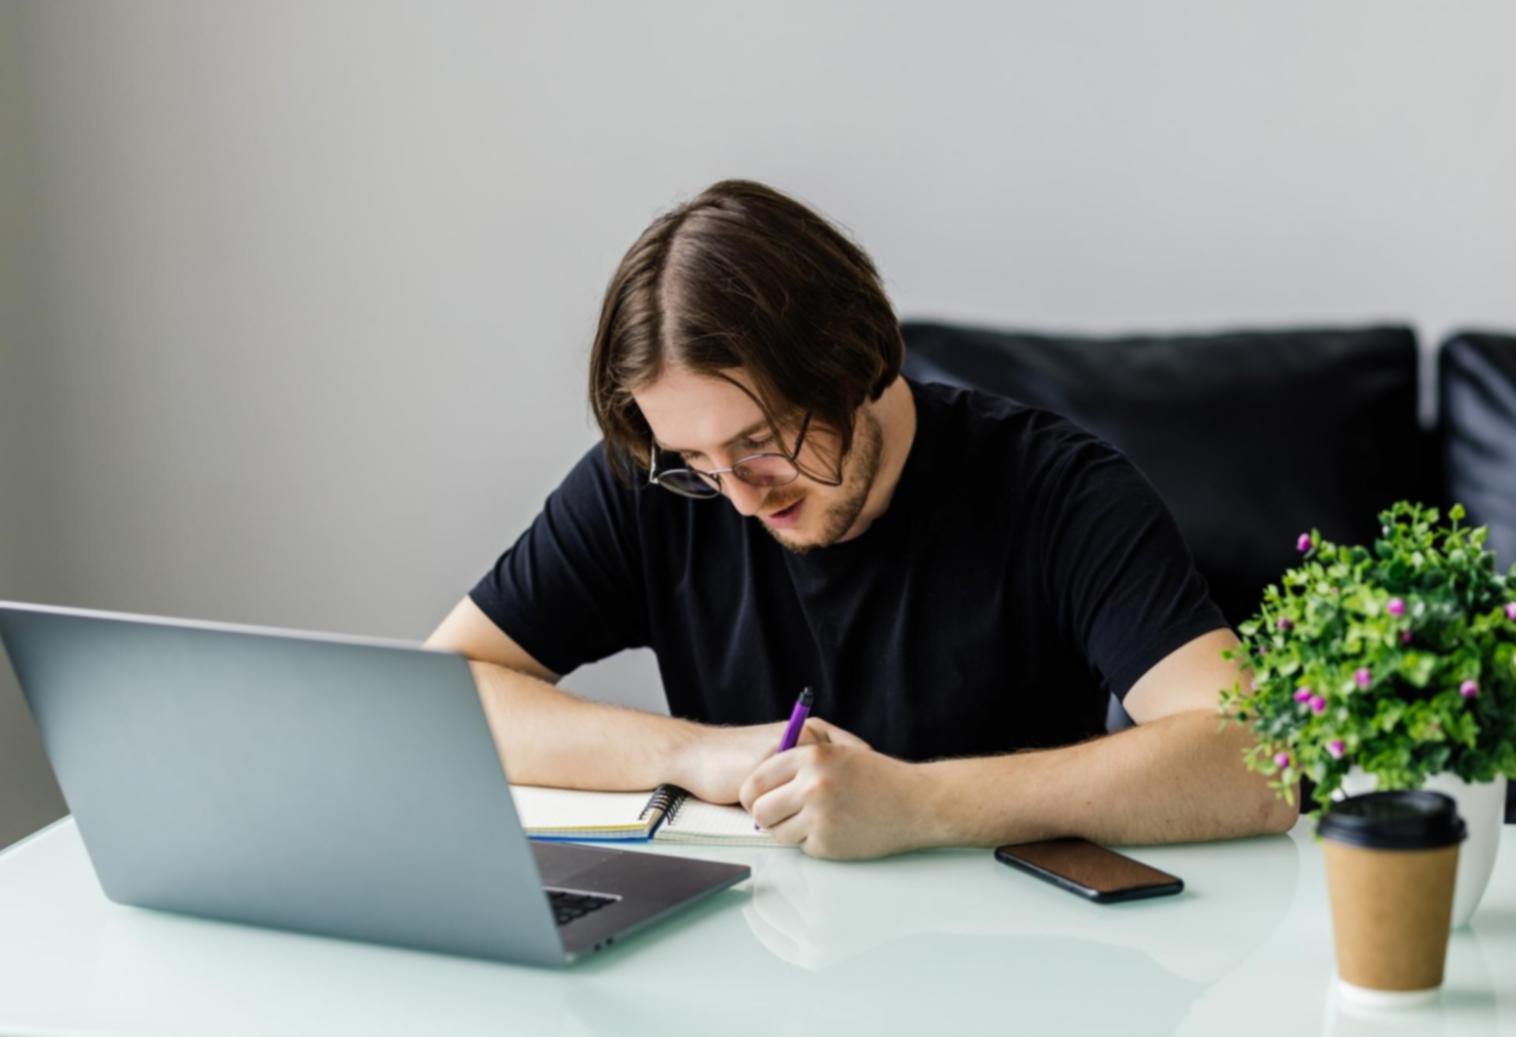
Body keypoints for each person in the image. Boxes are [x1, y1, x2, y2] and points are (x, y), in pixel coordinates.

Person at [427, 179, 1297, 860]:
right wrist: (693, 755)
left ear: (852, 361)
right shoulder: (656, 485)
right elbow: (442, 695)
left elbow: (1256, 764)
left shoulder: (1062, 493)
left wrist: (920, 806)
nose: (738, 494)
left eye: (762, 441)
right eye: (696, 462)